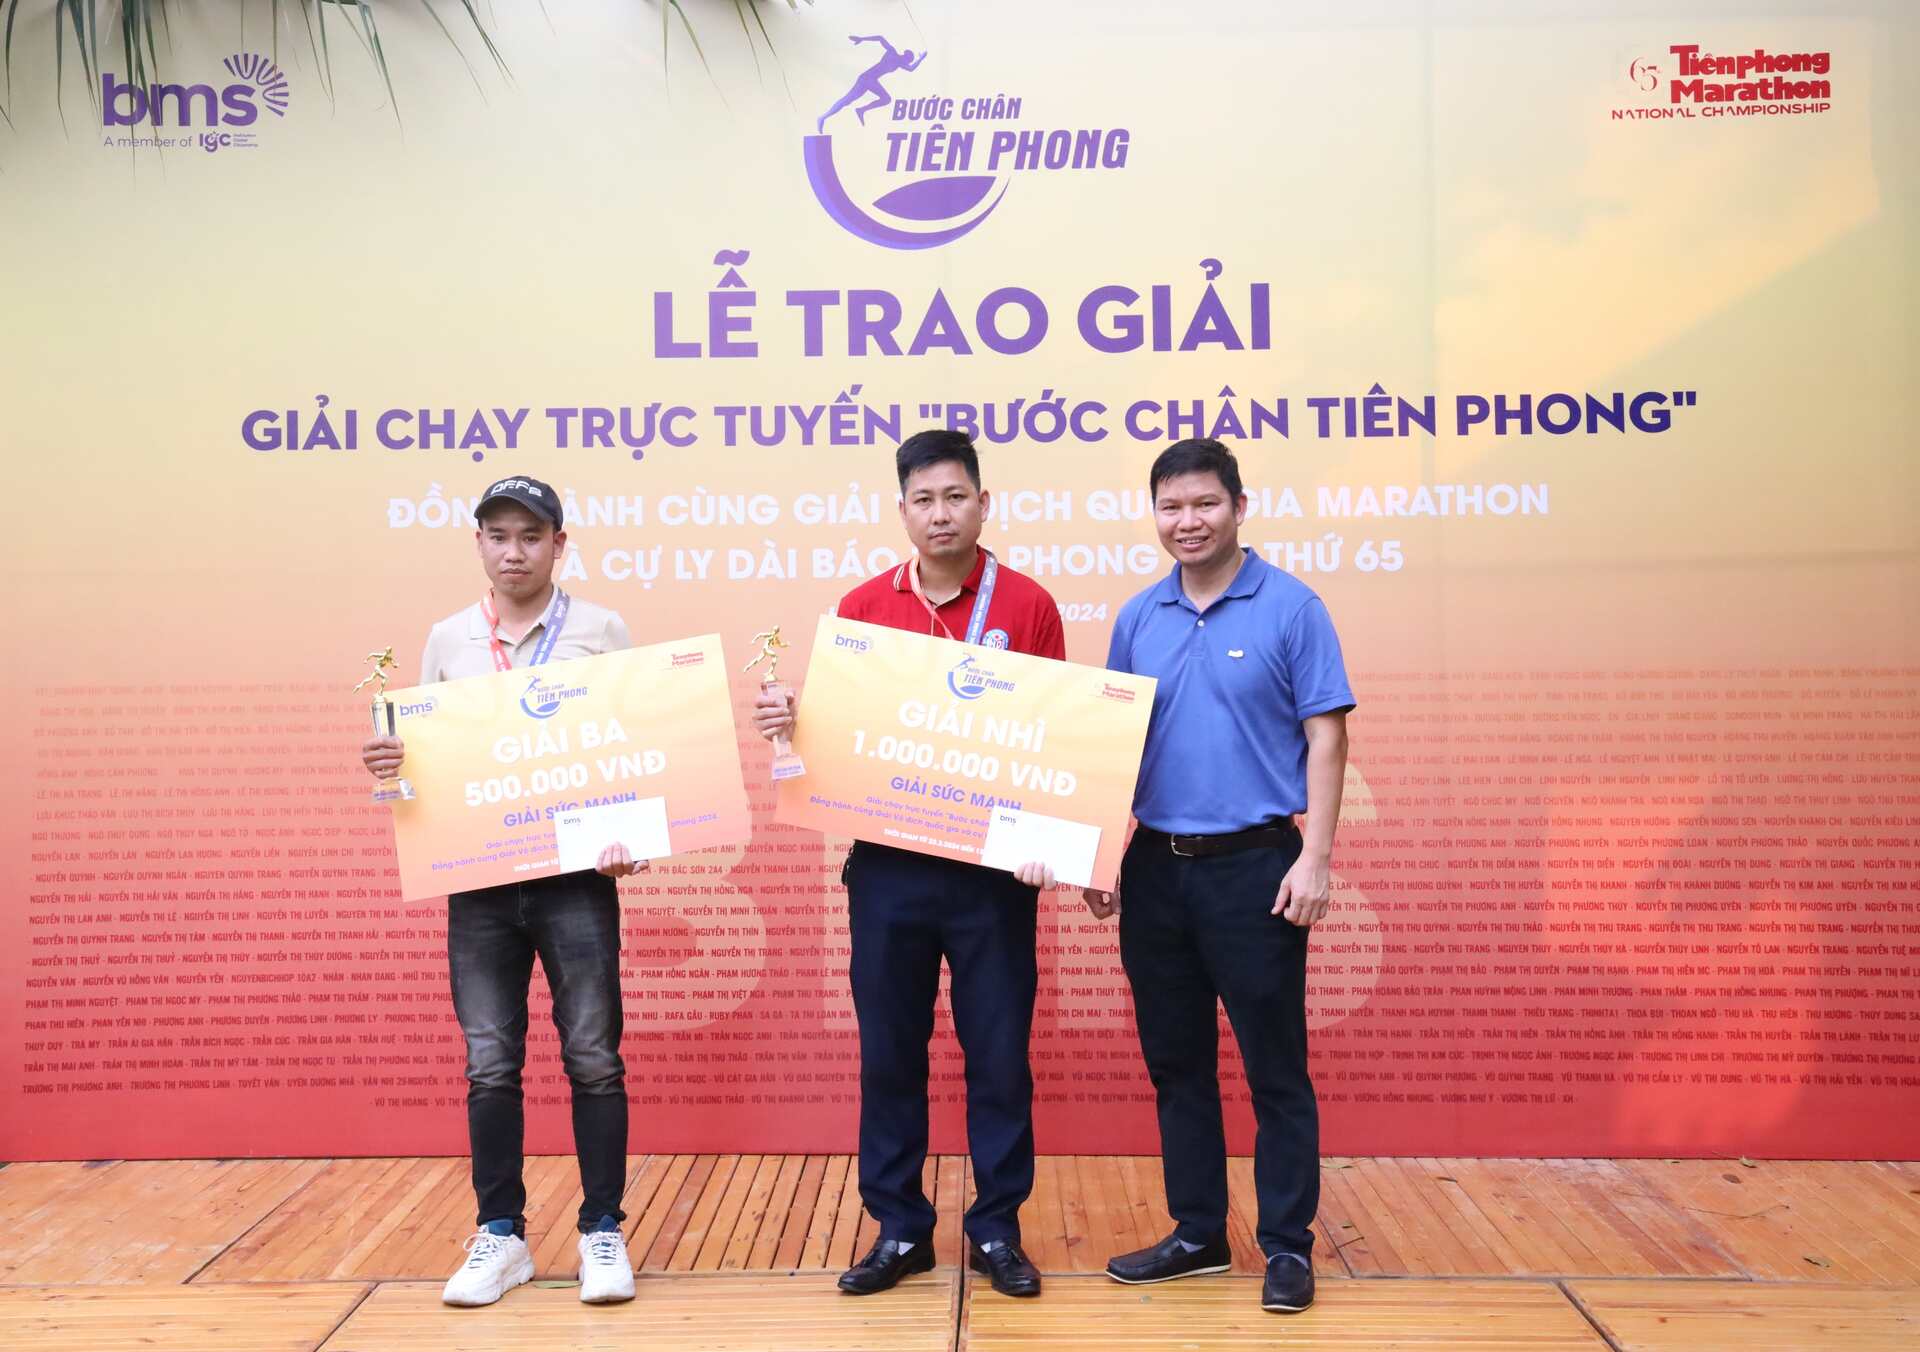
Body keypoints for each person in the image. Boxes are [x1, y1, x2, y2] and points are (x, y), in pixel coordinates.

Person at [753, 430, 1064, 1298]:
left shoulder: (1029, 605)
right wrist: (791, 724)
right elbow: (841, 739)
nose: (941, 513)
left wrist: (1050, 840)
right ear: (902, 512)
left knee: (998, 1055)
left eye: (956, 496)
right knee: (891, 1053)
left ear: (983, 504)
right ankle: (899, 1229)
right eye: (924, 500)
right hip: (888, 867)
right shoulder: (862, 608)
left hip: (993, 876)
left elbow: (1055, 737)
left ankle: (997, 1229)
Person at [361, 475, 647, 1308]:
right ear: (479, 544)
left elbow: (632, 743)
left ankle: (602, 1230)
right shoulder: (447, 640)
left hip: (575, 881)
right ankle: (501, 1235)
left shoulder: (601, 630)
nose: (513, 551)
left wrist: (628, 834)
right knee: (490, 1063)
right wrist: (390, 767)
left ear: (559, 544)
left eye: (530, 536)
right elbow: (424, 763)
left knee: (593, 1057)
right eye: (498, 536)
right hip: (481, 884)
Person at [1083, 439, 1352, 1315]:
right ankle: (1197, 1233)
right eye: (1171, 507)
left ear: (1239, 507)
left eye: (1204, 504)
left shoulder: (1292, 606)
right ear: (1154, 515)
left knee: (1276, 1068)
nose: (1187, 522)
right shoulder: (1139, 617)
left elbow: (1326, 734)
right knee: (1177, 1064)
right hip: (1156, 869)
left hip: (1256, 869)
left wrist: (1315, 857)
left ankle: (1287, 1246)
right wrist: (1098, 851)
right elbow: (1112, 744)